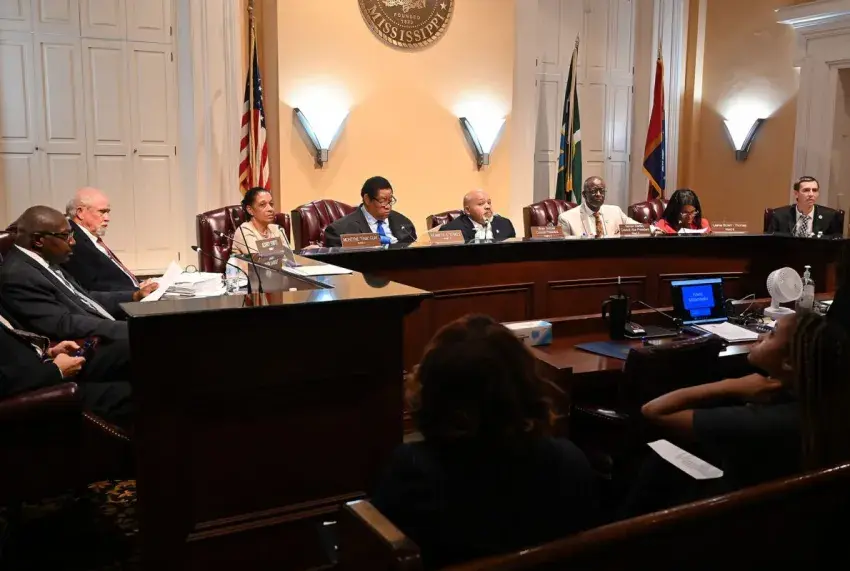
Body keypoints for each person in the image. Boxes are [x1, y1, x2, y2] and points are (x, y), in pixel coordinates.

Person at [372, 314, 599, 568]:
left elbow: (373, 552)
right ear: (525, 385)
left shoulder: (411, 472)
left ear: (432, 394)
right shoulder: (571, 463)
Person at [630, 311, 850, 514]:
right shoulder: (824, 405)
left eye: (772, 334)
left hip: (729, 517)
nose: (761, 337)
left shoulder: (768, 421)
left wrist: (731, 385)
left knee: (655, 464)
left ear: (788, 363)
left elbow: (654, 410)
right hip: (785, 514)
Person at [0, 206, 156, 341]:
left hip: (101, 330)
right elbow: (62, 324)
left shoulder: (46, 262)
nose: (73, 242)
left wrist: (134, 296)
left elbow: (85, 298)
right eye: (65, 236)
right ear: (39, 240)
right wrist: (126, 329)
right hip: (82, 346)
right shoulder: (18, 275)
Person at [0, 306, 133, 427]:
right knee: (132, 394)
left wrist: (48, 351)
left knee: (131, 350)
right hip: (36, 395)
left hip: (42, 365)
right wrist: (56, 370)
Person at [63, 187, 158, 293]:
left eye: (108, 212)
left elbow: (112, 277)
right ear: (80, 212)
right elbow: (94, 287)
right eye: (102, 212)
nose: (107, 218)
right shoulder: (74, 241)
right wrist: (135, 291)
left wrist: (140, 284)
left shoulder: (90, 238)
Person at [324, 176, 417, 247]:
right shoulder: (340, 231)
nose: (388, 206)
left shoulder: (404, 224)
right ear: (367, 199)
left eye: (390, 201)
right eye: (382, 201)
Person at [559, 176, 643, 237]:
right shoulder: (567, 218)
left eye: (602, 191)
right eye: (594, 191)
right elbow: (563, 247)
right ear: (584, 195)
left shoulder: (615, 211)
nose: (598, 194)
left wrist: (651, 229)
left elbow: (638, 228)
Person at [766, 176, 843, 238]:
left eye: (814, 190)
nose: (811, 194)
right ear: (796, 194)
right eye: (806, 190)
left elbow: (836, 243)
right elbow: (769, 243)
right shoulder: (779, 215)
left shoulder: (830, 216)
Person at [230, 186, 293, 256]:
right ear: (250, 210)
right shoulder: (244, 231)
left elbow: (289, 256)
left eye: (271, 204)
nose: (270, 209)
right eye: (262, 205)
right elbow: (259, 259)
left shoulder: (277, 229)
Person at [440, 190, 516, 242]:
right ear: (467, 210)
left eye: (489, 203)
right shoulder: (451, 230)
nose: (488, 207)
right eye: (481, 204)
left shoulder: (504, 224)